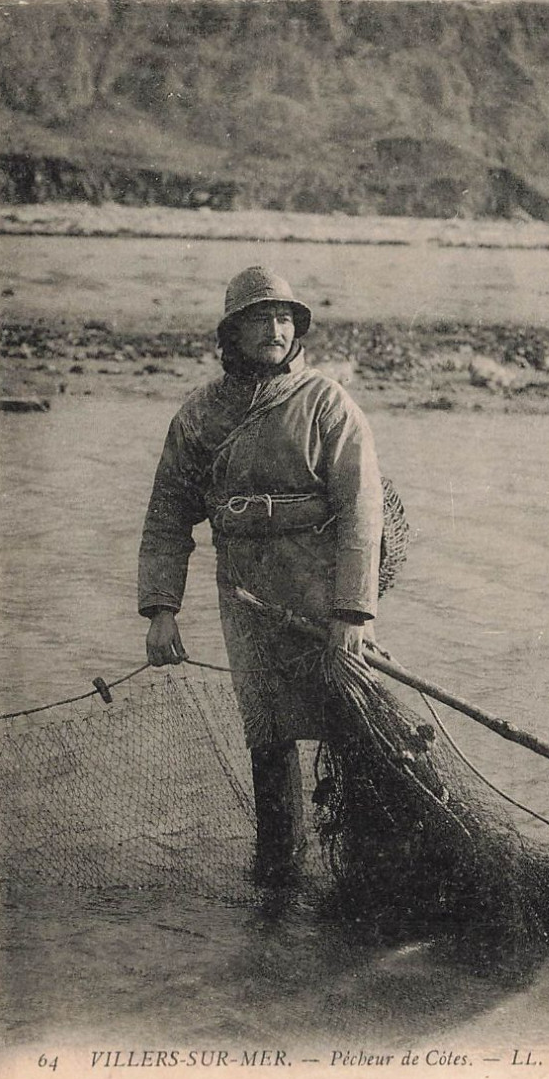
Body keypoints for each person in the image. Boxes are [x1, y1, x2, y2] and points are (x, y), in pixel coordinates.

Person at [138, 265, 384, 875]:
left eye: (284, 319)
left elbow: (362, 511)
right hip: (245, 595)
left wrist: (353, 611)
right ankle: (278, 873)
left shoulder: (328, 404)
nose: (275, 330)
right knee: (267, 734)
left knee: (349, 729)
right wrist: (162, 609)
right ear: (233, 333)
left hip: (320, 594)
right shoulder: (198, 418)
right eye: (260, 319)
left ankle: (367, 871)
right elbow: (168, 517)